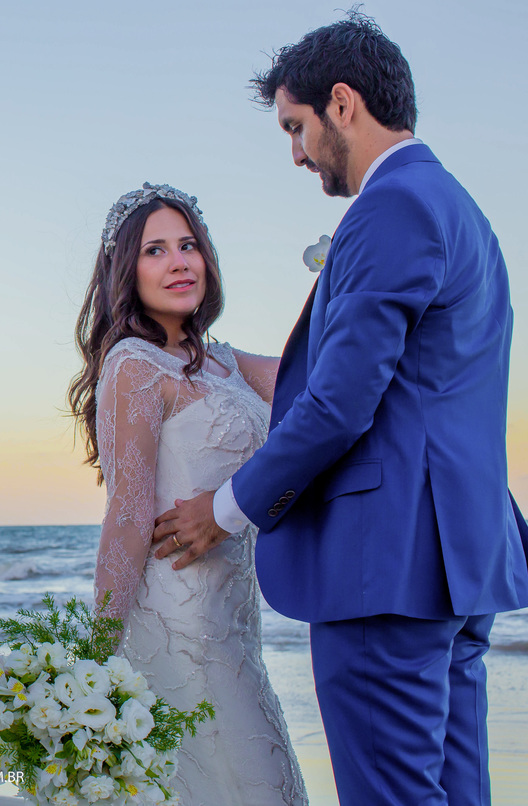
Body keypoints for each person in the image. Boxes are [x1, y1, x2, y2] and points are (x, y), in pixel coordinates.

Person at [150, 12, 528, 806]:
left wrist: (224, 510)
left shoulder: (391, 209)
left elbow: (339, 403)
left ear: (343, 104)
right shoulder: (464, 214)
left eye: (296, 126)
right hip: (460, 560)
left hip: (384, 566)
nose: (295, 152)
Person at [68, 182, 307, 804]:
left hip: (235, 631)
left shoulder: (226, 362)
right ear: (127, 269)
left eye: (189, 245)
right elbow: (125, 515)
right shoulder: (134, 365)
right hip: (177, 625)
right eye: (154, 250)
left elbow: (320, 379)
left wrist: (339, 279)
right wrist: (95, 659)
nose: (179, 262)